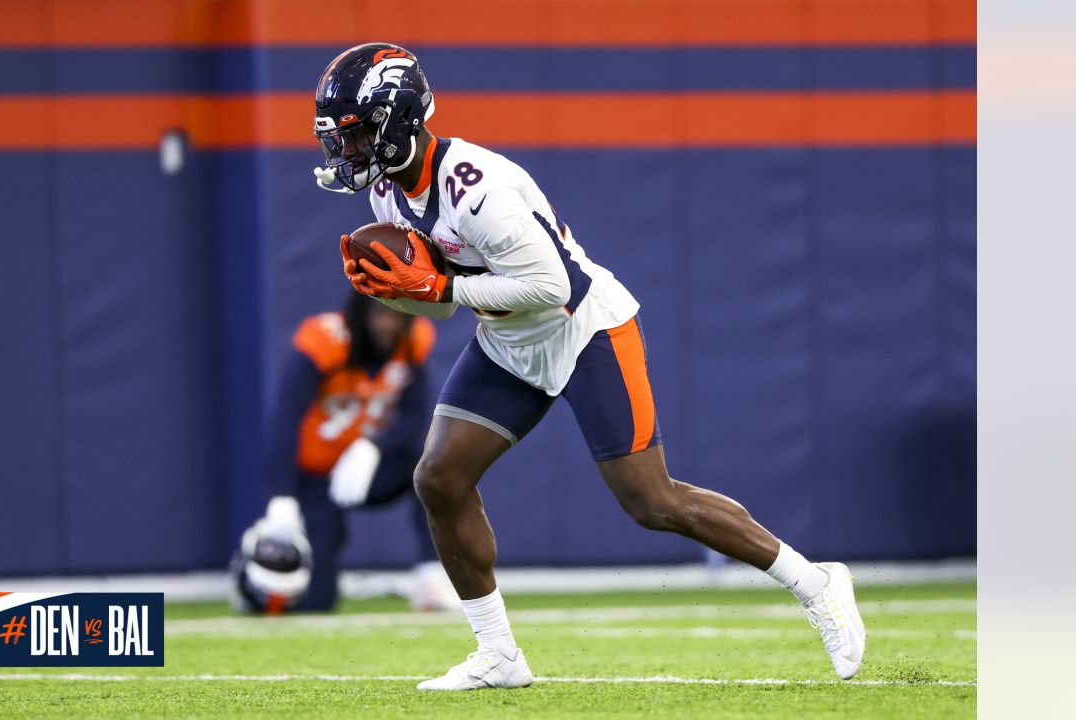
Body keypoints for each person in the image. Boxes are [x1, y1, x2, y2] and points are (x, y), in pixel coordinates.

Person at [312, 43, 867, 690]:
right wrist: (400, 291)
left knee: (652, 501)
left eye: (357, 132)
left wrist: (436, 291)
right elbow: (443, 305)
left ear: (401, 117)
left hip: (584, 329)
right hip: (509, 339)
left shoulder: (476, 187)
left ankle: (817, 583)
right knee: (439, 478)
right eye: (338, 136)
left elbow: (552, 286)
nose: (346, 150)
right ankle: (499, 654)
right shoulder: (386, 193)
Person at [245, 291, 458, 613]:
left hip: (367, 468)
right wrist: (282, 495)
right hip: (316, 474)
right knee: (317, 600)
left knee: (433, 464)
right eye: (379, 314)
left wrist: (372, 446)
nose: (388, 323)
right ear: (359, 314)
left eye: (396, 314)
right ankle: (251, 588)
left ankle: (432, 576)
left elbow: (417, 416)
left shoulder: (412, 341)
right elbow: (286, 419)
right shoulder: (324, 341)